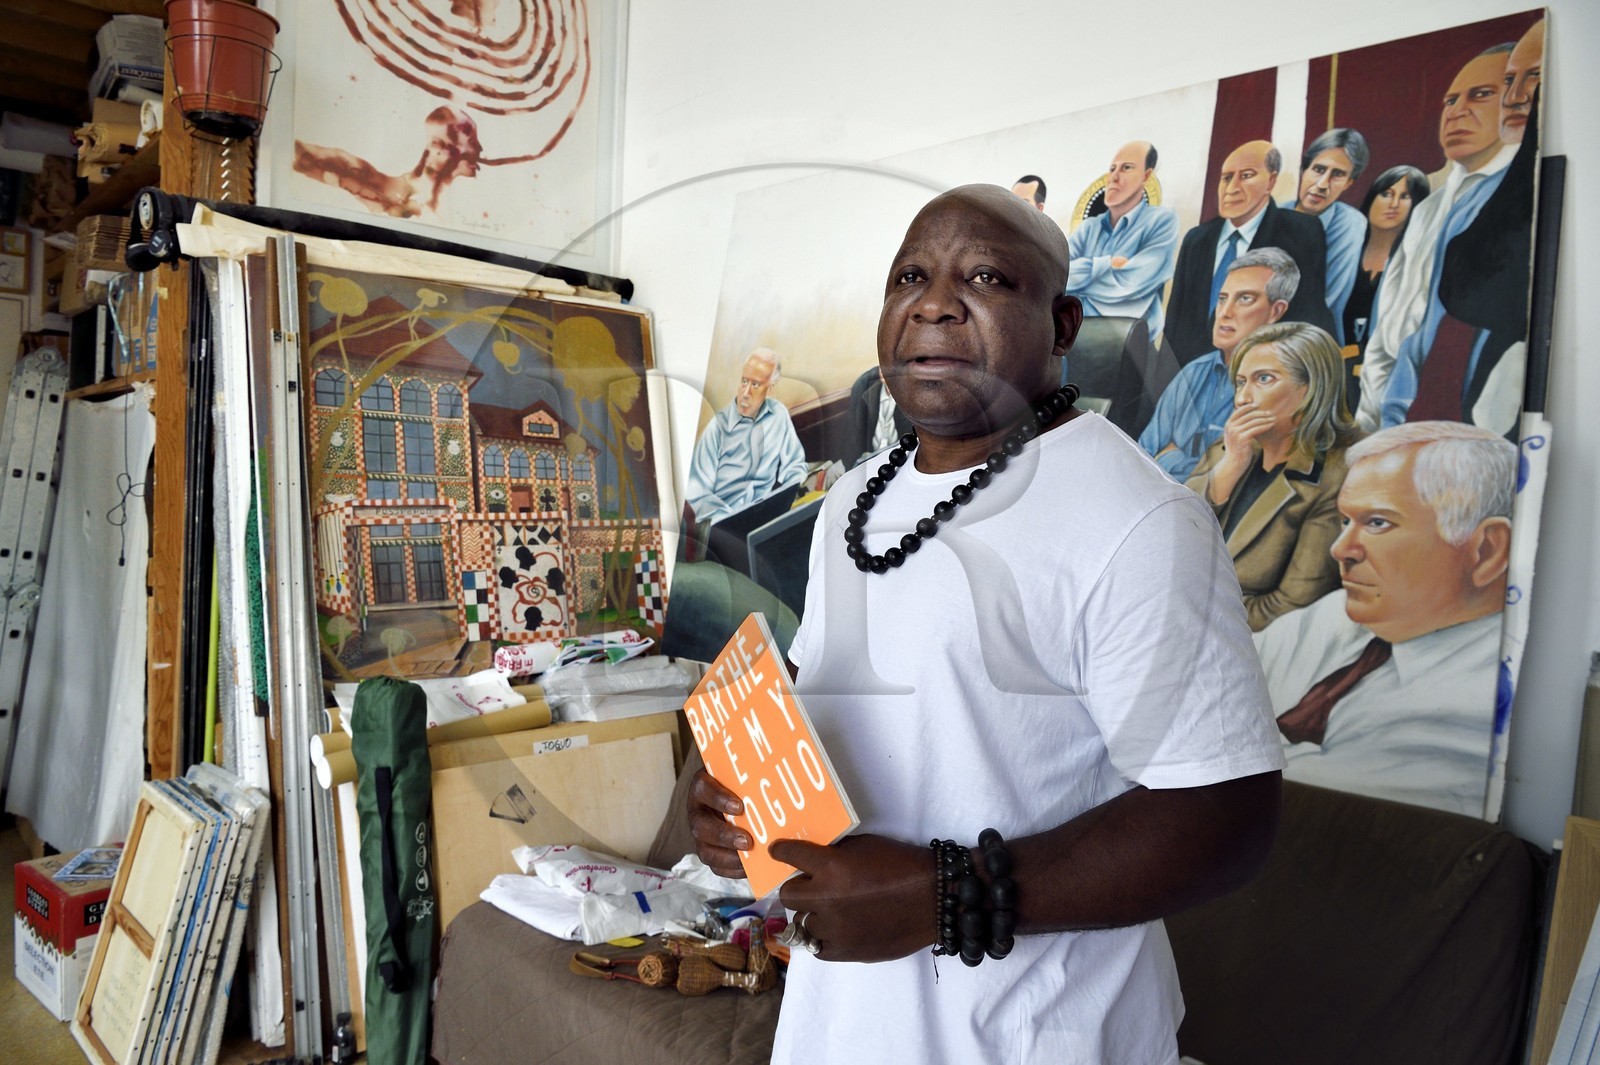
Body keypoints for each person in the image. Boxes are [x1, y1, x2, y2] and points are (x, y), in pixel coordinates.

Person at [688, 184, 1284, 1064]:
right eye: (910, 276)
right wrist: (736, 799)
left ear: (1065, 322)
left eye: (988, 277)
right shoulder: (853, 498)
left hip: (1032, 1034)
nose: (934, 302)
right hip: (840, 1024)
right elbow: (835, 713)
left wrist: (948, 895)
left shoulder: (1139, 519)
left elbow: (1229, 815)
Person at [1254, 421, 1515, 817]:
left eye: (1377, 523)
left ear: (1486, 551)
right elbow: (1206, 689)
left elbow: (1294, 800)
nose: (1341, 549)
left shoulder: (1478, 705)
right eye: (1345, 521)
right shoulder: (1340, 616)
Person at [1354, 44, 1519, 431]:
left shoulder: (1516, 200)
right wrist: (1369, 424)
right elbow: (1392, 321)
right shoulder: (1428, 209)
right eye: (1449, 100)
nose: (1456, 111)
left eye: (1480, 94)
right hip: (1392, 410)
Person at [1186, 322, 1359, 632]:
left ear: (1311, 388)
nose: (1242, 399)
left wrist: (1192, 609)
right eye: (1240, 382)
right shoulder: (1228, 448)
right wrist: (1228, 471)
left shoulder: (1342, 474)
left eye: (1263, 379)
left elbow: (1291, 608)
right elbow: (1168, 537)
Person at [1163, 140, 1334, 366]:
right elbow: (1175, 324)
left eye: (1246, 175)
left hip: (1261, 376)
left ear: (1271, 180)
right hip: (1193, 382)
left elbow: (1308, 318)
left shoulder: (1301, 231)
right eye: (1226, 178)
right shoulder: (1197, 239)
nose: (1232, 188)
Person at [1139, 247, 1296, 479]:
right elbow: (1141, 457)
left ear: (1276, 311)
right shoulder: (1193, 372)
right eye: (1223, 299)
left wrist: (1171, 457)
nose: (1224, 312)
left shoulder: (1281, 387)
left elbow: (1240, 481)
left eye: (1244, 299)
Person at [1065, 141, 1180, 340]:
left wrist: (1081, 285)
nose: (1114, 177)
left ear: (1146, 176)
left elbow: (1130, 283)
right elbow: (1058, 275)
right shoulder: (1088, 228)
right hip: (1076, 337)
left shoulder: (1162, 221)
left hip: (1129, 348)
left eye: (1126, 168)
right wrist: (1105, 264)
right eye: (1112, 169)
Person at [1341, 165, 1431, 409]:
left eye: (1405, 197)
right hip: (1332, 371)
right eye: (1387, 194)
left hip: (1380, 378)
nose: (1394, 204)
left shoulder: (1415, 263)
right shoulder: (1343, 248)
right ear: (1372, 196)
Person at [684, 348, 808, 526]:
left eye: (755, 385)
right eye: (744, 381)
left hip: (768, 515)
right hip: (726, 523)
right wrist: (727, 519)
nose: (745, 392)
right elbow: (697, 490)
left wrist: (790, 494)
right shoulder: (718, 427)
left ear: (770, 389)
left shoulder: (778, 414)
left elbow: (795, 464)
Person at [293, 106, 485, 218]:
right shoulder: (382, 189)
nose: (479, 149)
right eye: (471, 140)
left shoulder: (446, 212)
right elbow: (308, 157)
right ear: (438, 148)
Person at [1286, 128, 1370, 342]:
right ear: (1304, 170)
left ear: (1349, 183)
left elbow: (1327, 298)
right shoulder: (1276, 212)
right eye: (1318, 169)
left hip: (1313, 343)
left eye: (1338, 175)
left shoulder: (1349, 223)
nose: (1322, 184)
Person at [844, 366, 912, 468]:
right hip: (867, 459)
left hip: (900, 461)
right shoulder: (865, 387)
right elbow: (854, 437)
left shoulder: (911, 394)